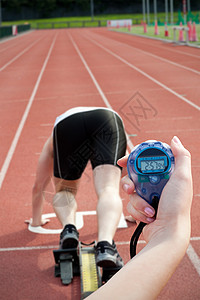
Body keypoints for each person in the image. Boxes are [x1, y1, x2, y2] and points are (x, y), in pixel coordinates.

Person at [86, 136, 193, 299]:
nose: (153, 174)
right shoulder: (162, 158)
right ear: (134, 165)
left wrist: (169, 231)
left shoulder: (139, 161)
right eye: (148, 166)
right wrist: (170, 234)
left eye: (155, 165)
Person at [26, 106, 127, 268]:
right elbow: (133, 172)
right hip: (107, 118)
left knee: (65, 190)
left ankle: (69, 229)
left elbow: (38, 186)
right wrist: (138, 214)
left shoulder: (52, 140)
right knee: (108, 188)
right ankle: (105, 246)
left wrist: (36, 221)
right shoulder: (108, 118)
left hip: (67, 124)